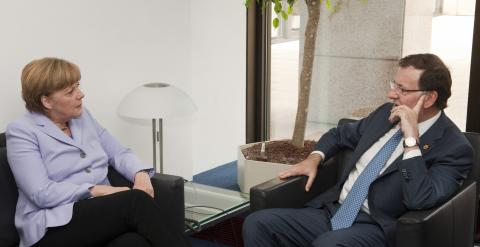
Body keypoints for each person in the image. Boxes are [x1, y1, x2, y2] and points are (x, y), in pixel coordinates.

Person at [243, 53, 474, 247]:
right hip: (334, 210)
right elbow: (339, 134)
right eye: (394, 85)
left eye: (402, 89)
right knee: (258, 223)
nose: (392, 94)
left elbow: (420, 199)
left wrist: (411, 140)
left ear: (430, 97)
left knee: (327, 245)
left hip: (377, 226)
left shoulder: (454, 148)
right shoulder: (386, 114)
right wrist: (314, 157)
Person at [6, 57, 190, 247]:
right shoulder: (22, 131)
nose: (81, 94)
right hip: (53, 224)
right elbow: (41, 193)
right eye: (70, 91)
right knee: (135, 201)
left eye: (77, 86)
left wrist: (141, 176)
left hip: (100, 214)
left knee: (134, 242)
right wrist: (98, 190)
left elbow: (118, 153)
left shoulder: (82, 116)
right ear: (46, 101)